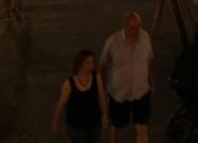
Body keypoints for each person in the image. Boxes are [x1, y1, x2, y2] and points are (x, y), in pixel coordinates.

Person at [100, 12, 153, 143]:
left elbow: (149, 59)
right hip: (119, 94)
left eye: (138, 28)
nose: (136, 32)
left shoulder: (145, 37)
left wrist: (151, 81)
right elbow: (102, 66)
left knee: (142, 128)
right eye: (133, 28)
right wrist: (100, 91)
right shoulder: (112, 42)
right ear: (125, 27)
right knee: (117, 126)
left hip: (141, 91)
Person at [52, 49, 108, 142]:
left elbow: (101, 97)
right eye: (88, 63)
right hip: (75, 126)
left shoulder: (96, 77)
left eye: (92, 63)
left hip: (94, 124)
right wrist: (55, 122)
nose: (91, 66)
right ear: (80, 65)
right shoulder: (69, 83)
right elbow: (61, 104)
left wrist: (104, 115)